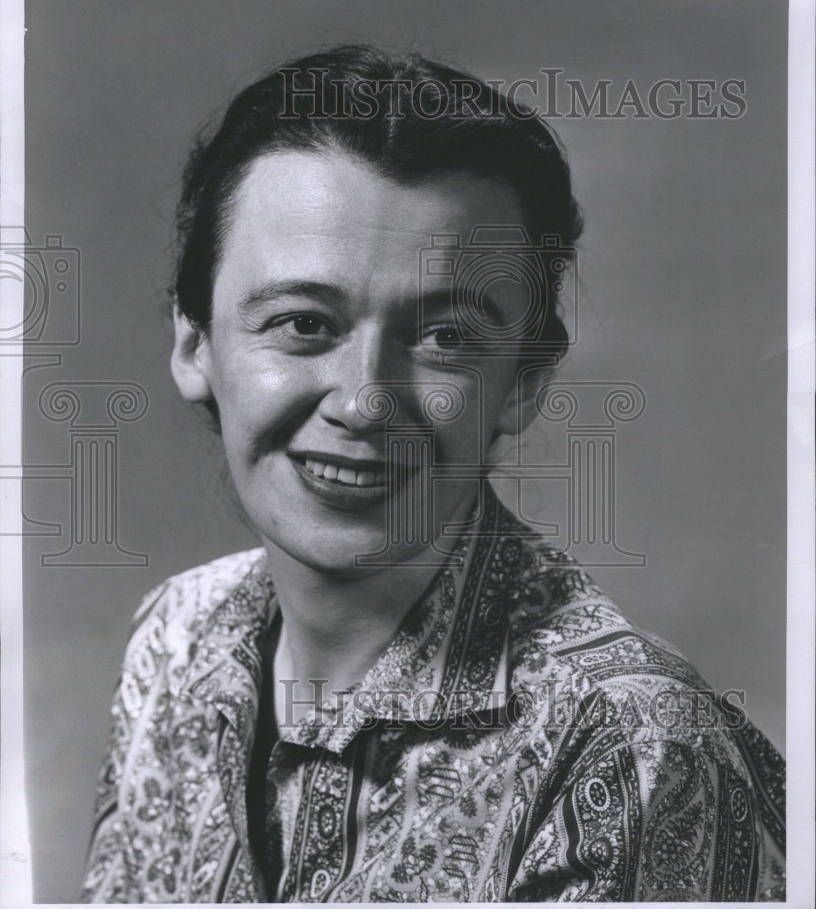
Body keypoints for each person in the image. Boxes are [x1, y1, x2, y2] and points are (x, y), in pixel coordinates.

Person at [80, 45, 785, 903]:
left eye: (445, 338)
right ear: (194, 345)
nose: (366, 404)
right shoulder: (172, 638)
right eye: (303, 323)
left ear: (521, 385)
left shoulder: (633, 746)